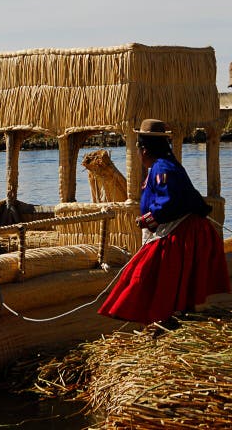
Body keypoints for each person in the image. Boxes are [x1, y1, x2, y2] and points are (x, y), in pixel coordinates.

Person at [98, 119, 230, 324]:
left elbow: (169, 203)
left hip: (182, 231)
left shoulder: (163, 169)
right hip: (185, 229)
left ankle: (162, 318)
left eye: (138, 149)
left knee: (144, 271)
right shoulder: (165, 164)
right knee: (172, 278)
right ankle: (170, 319)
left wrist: (148, 219)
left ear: (144, 150)